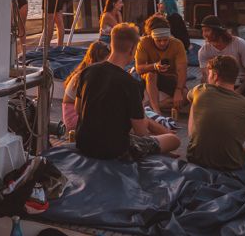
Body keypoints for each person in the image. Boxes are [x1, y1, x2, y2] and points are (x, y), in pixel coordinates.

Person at [74, 23, 180, 160]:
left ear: (112, 45)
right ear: (132, 49)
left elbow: (78, 109)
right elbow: (141, 132)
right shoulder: (131, 83)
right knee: (173, 140)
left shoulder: (87, 71)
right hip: (114, 150)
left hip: (83, 143)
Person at [188, 55, 245, 171]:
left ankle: (196, 141)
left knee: (195, 101)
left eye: (209, 74)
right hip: (231, 166)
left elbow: (189, 97)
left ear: (215, 75)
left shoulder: (200, 90)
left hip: (195, 158)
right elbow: (240, 136)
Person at [197, 16, 245, 116]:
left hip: (239, 84)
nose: (204, 34)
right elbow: (205, 76)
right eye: (203, 31)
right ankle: (233, 115)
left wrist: (239, 91)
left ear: (217, 31)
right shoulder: (204, 50)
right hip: (216, 86)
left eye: (207, 30)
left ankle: (240, 119)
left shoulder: (239, 44)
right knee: (197, 101)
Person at [134, 15, 188, 115]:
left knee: (186, 96)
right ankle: (157, 111)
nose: (163, 43)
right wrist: (154, 66)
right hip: (151, 78)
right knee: (151, 74)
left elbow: (182, 70)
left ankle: (153, 106)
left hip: (171, 78)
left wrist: (178, 90)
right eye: (158, 40)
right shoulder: (143, 42)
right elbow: (139, 68)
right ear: (151, 36)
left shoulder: (177, 44)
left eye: (165, 39)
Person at [61, 41, 110, 132]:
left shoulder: (88, 71)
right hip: (74, 118)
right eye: (106, 62)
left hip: (79, 112)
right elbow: (86, 105)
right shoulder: (86, 75)